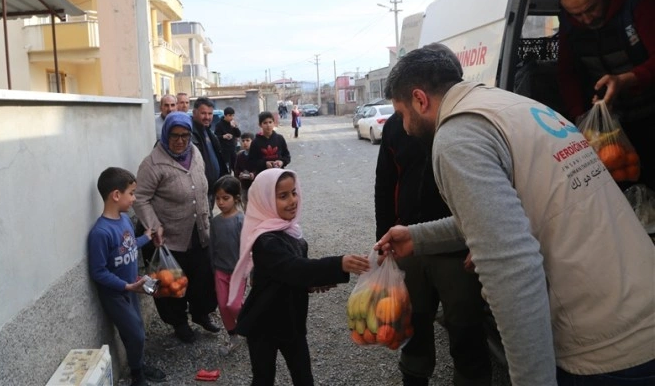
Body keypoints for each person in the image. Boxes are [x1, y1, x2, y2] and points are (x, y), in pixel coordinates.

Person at [375, 47, 655, 385]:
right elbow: (510, 216)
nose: (404, 128)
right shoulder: (516, 107)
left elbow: (510, 265)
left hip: (607, 344)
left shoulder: (456, 138)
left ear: (420, 100)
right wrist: (419, 237)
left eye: (402, 114)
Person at [375, 45, 491, 386]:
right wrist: (384, 238)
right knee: (413, 326)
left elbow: (495, 192)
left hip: (458, 250)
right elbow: (386, 183)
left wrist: (482, 242)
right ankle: (414, 376)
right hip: (408, 245)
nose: (406, 122)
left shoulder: (471, 124)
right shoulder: (398, 126)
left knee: (466, 330)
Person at [228, 169, 370, 386]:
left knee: (303, 376)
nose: (293, 200)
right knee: (263, 378)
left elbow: (291, 276)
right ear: (264, 200)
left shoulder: (291, 232)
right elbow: (293, 268)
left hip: (290, 320)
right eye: (283, 196)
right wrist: (338, 263)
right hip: (263, 323)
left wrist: (312, 284)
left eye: (294, 192)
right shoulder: (265, 241)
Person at [557, 0, 655, 191]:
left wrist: (624, 80)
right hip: (614, 120)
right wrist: (580, 117)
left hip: (649, 109)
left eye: (590, 9)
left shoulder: (639, 4)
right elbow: (567, 74)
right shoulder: (569, 26)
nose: (585, 19)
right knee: (623, 181)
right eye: (576, 14)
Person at [134, 113, 220, 344]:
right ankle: (179, 323)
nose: (181, 141)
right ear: (165, 134)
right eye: (175, 135)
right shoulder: (152, 163)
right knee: (172, 285)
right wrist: (154, 225)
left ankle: (201, 315)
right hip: (170, 236)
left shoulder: (195, 152)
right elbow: (140, 198)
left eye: (185, 135)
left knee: (202, 279)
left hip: (199, 231)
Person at [87, 167, 166, 386]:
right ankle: (137, 376)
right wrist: (127, 286)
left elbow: (129, 245)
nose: (134, 198)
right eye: (131, 193)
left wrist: (146, 238)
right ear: (115, 195)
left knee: (137, 330)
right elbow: (98, 271)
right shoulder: (100, 233)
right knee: (135, 334)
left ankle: (138, 365)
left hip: (131, 290)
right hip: (116, 295)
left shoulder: (124, 221)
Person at [209, 175, 245, 355]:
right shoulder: (215, 222)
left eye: (225, 198)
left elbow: (247, 248)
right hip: (220, 271)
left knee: (235, 306)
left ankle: (249, 324)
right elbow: (212, 246)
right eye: (218, 198)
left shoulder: (241, 220)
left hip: (238, 272)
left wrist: (250, 270)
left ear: (236, 198)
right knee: (223, 306)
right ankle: (233, 337)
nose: (221, 202)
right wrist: (213, 268)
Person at [191, 97, 230, 212]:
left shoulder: (207, 131)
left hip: (212, 189)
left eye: (210, 113)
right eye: (203, 113)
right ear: (194, 113)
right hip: (200, 190)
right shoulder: (190, 133)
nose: (207, 117)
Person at [248, 111, 291, 177]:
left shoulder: (280, 138)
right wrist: (264, 164)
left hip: (278, 174)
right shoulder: (255, 142)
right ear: (260, 125)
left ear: (274, 123)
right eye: (265, 123)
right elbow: (251, 161)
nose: (268, 125)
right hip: (263, 175)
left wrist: (282, 162)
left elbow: (287, 156)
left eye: (270, 122)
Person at [214, 107, 242, 174]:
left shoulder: (232, 124)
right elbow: (215, 137)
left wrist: (235, 127)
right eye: (230, 115)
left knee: (236, 167)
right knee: (227, 168)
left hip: (232, 149)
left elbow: (238, 134)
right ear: (225, 115)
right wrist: (223, 136)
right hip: (224, 150)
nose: (232, 117)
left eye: (233, 115)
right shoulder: (219, 125)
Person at [234, 132, 256, 210]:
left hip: (255, 186)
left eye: (247, 140)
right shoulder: (240, 156)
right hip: (244, 186)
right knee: (246, 205)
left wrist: (253, 174)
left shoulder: (256, 155)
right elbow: (236, 169)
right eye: (243, 141)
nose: (245, 143)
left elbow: (259, 167)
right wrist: (239, 174)